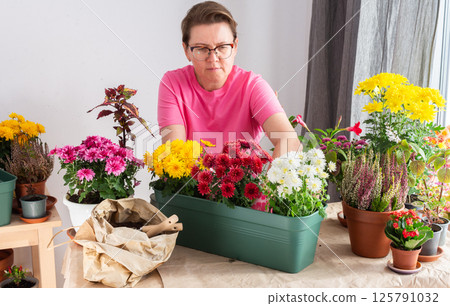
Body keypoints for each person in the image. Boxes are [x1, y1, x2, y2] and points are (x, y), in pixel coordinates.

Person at [158, 1, 300, 157]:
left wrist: (269, 181)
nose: (213, 58)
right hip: (190, 181)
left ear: (235, 47)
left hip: (244, 181)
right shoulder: (173, 84)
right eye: (201, 49)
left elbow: (289, 141)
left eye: (222, 47)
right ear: (187, 51)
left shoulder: (253, 86)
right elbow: (174, 154)